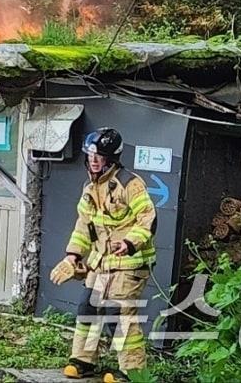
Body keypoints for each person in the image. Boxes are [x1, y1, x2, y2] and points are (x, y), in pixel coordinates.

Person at [50, 127, 156, 381]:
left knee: (119, 313)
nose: (94, 161)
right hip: (101, 262)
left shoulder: (130, 184)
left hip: (129, 263)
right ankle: (83, 361)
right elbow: (83, 226)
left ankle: (132, 372)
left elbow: (148, 219)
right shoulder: (90, 189)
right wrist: (73, 256)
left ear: (112, 158)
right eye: (91, 156)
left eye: (100, 156)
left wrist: (130, 242)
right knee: (88, 307)